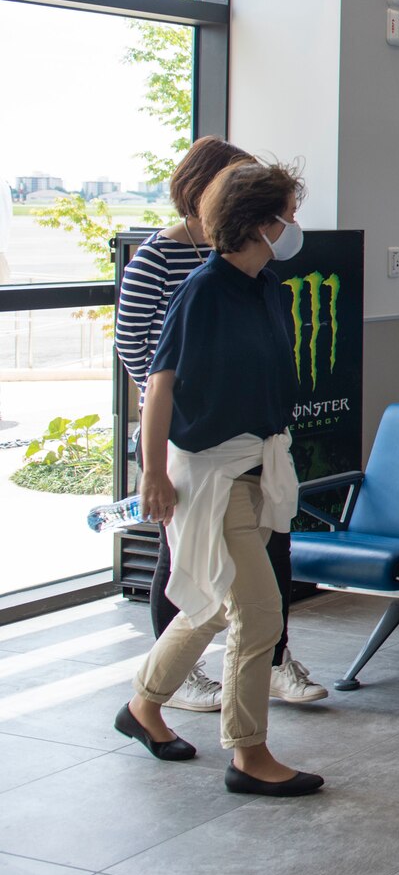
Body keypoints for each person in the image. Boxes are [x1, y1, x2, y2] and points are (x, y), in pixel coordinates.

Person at [118, 159, 324, 797]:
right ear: (257, 223)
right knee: (259, 612)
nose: (294, 226)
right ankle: (248, 754)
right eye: (287, 216)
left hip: (254, 464)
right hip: (210, 471)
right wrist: (152, 473)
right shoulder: (203, 291)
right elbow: (160, 385)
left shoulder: (266, 287)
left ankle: (144, 707)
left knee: (210, 604)